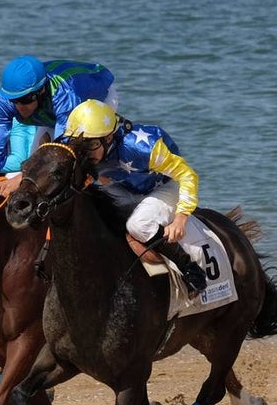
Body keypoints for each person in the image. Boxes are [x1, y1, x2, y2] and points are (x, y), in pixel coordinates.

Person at [62, 99, 208, 297]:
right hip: (126, 186)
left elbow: (188, 175)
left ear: (109, 137)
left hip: (165, 186)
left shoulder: (143, 148)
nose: (85, 153)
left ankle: (189, 268)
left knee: (138, 225)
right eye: (79, 145)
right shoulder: (84, 151)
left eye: (92, 144)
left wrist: (181, 218)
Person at [0, 55, 117, 194]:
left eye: (25, 99)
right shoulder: (5, 100)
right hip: (51, 113)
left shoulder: (64, 94)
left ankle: (106, 190)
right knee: (34, 161)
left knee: (76, 158)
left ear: (41, 90)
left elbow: (63, 150)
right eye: (14, 100)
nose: (19, 106)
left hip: (93, 101)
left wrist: (21, 178)